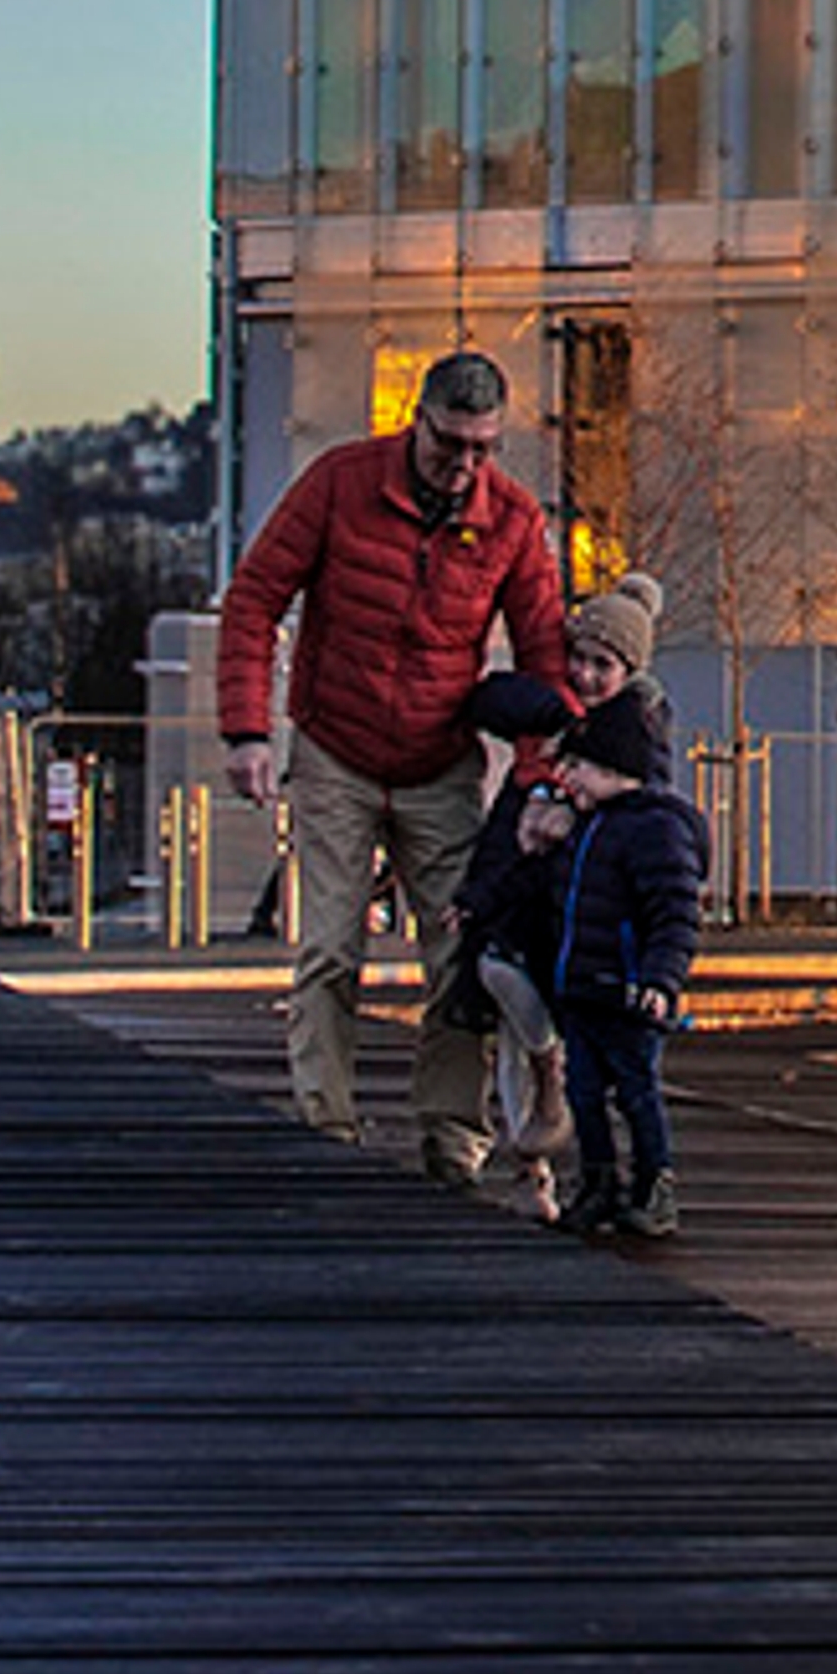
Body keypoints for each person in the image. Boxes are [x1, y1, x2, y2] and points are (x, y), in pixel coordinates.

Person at [215, 353, 570, 1180]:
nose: (465, 466)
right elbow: (255, 598)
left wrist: (540, 778)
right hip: (335, 748)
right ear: (418, 421)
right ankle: (326, 1128)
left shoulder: (512, 520)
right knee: (330, 951)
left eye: (484, 448)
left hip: (439, 757)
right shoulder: (340, 483)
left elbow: (544, 650)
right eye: (451, 444)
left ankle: (453, 1138)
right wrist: (247, 732)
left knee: (458, 956)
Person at [451, 575, 674, 1215]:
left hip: (591, 927)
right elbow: (489, 700)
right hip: (539, 893)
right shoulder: (564, 720)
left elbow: (647, 824)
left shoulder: (634, 729)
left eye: (601, 664)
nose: (584, 675)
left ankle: (624, 1182)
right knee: (503, 987)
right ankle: (556, 1168)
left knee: (617, 1077)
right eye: (577, 660)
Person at [546, 692, 708, 1238]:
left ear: (617, 769)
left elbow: (674, 915)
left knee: (636, 1089)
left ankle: (652, 1185)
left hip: (629, 989)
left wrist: (661, 978)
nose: (570, 778)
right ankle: (598, 1184)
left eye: (580, 766)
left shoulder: (653, 829)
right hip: (584, 989)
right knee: (584, 1093)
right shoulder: (591, 825)